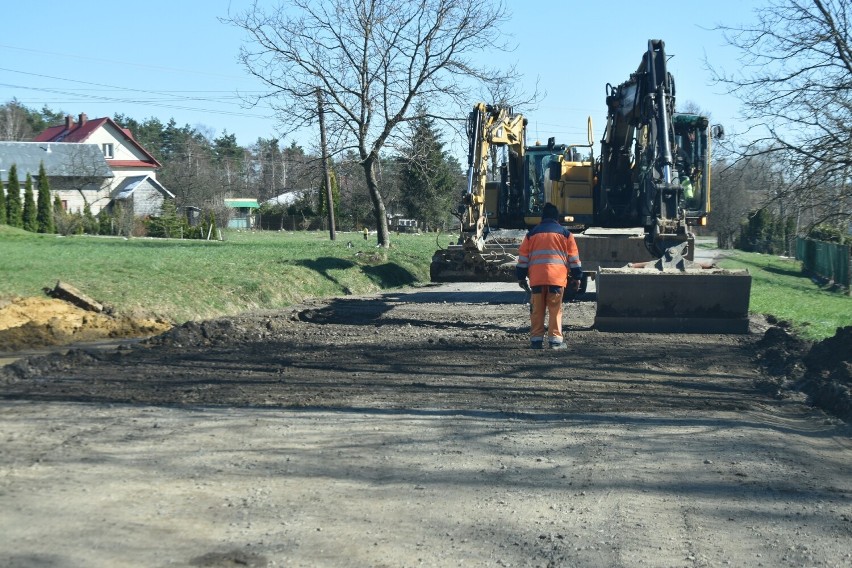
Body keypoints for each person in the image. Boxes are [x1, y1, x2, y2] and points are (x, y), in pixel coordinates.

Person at [516, 203, 583, 350]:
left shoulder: (531, 235)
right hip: (557, 280)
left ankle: (536, 341)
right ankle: (555, 342)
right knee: (555, 310)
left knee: (537, 310)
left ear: (542, 217)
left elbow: (523, 259)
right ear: (556, 218)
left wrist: (521, 277)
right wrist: (578, 276)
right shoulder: (566, 234)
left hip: (537, 280)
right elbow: (574, 259)